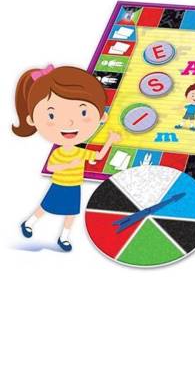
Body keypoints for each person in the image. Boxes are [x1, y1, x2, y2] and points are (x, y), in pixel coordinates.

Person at [12, 65, 121, 252]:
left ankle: (64, 237)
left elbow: (99, 156)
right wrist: (69, 164)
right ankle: (29, 223)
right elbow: (52, 167)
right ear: (32, 120)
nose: (69, 122)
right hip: (59, 185)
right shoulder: (59, 152)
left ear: (102, 116)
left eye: (83, 112)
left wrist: (110, 140)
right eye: (52, 115)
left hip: (74, 186)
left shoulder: (80, 152)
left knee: (71, 213)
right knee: (45, 207)